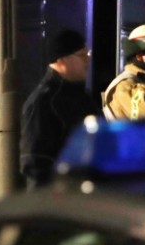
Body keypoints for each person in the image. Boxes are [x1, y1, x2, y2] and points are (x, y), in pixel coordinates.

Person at [20, 28, 100, 189]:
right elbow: (35, 162)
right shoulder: (44, 102)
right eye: (82, 55)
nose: (87, 60)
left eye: (88, 54)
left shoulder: (80, 96)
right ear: (61, 60)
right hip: (61, 203)